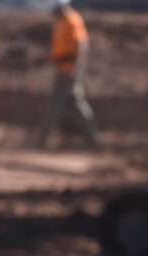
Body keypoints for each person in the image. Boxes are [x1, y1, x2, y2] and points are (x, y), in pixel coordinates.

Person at [40, 0, 101, 148]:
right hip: (62, 68)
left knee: (60, 103)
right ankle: (92, 138)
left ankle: (45, 140)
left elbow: (82, 46)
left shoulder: (72, 20)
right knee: (74, 103)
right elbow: (59, 50)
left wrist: (76, 69)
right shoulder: (60, 22)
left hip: (69, 70)